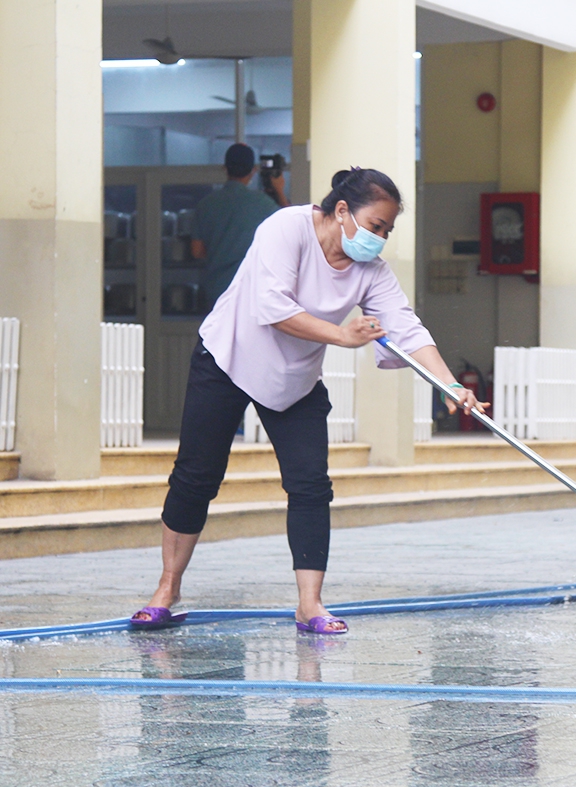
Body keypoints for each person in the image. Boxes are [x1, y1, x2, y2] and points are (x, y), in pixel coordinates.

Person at [131, 167, 482, 635]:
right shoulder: (285, 227)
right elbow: (271, 307)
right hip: (229, 356)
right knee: (196, 475)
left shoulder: (370, 271)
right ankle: (167, 591)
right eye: (375, 226)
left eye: (387, 231)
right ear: (342, 211)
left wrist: (450, 386)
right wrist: (340, 334)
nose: (380, 238)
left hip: (293, 379)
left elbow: (406, 327)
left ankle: (310, 605)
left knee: (311, 484)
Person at [192, 143, 288, 308]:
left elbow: (197, 252)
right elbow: (291, 227)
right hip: (250, 292)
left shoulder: (206, 205)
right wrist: (279, 190)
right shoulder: (263, 204)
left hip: (217, 293)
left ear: (225, 168)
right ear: (253, 171)